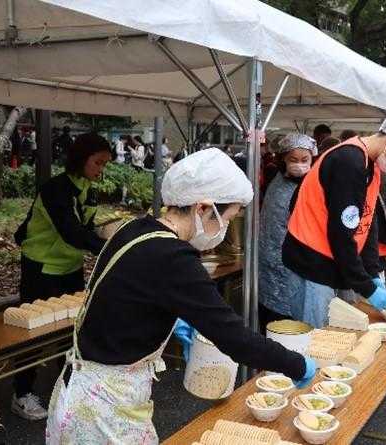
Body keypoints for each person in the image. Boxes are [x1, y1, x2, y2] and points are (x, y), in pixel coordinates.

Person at [45, 148, 316, 444]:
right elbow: (235, 338)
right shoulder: (173, 258)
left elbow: (130, 296)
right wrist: (297, 365)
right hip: (102, 409)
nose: (224, 228)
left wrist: (174, 319)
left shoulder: (135, 228)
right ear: (203, 208)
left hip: (81, 386)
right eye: (227, 218)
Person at [283, 113, 386, 327]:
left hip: (333, 261)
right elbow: (341, 234)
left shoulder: (371, 166)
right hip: (312, 262)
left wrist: (371, 272)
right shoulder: (349, 161)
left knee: (338, 331)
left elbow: (368, 223)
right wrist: (367, 287)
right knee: (317, 336)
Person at [12, 133, 112, 420]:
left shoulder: (88, 189)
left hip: (70, 267)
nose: (101, 170)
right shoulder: (55, 189)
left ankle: (69, 386)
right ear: (81, 159)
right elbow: (71, 232)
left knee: (72, 328)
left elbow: (86, 228)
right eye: (97, 162)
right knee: (32, 332)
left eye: (105, 164)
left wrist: (107, 234)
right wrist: (109, 247)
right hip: (41, 267)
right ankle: (21, 393)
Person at [258, 134, 318, 332]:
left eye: (304, 159)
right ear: (283, 158)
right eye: (293, 159)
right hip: (278, 261)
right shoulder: (280, 185)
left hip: (288, 262)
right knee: (280, 324)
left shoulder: (302, 184)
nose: (299, 165)